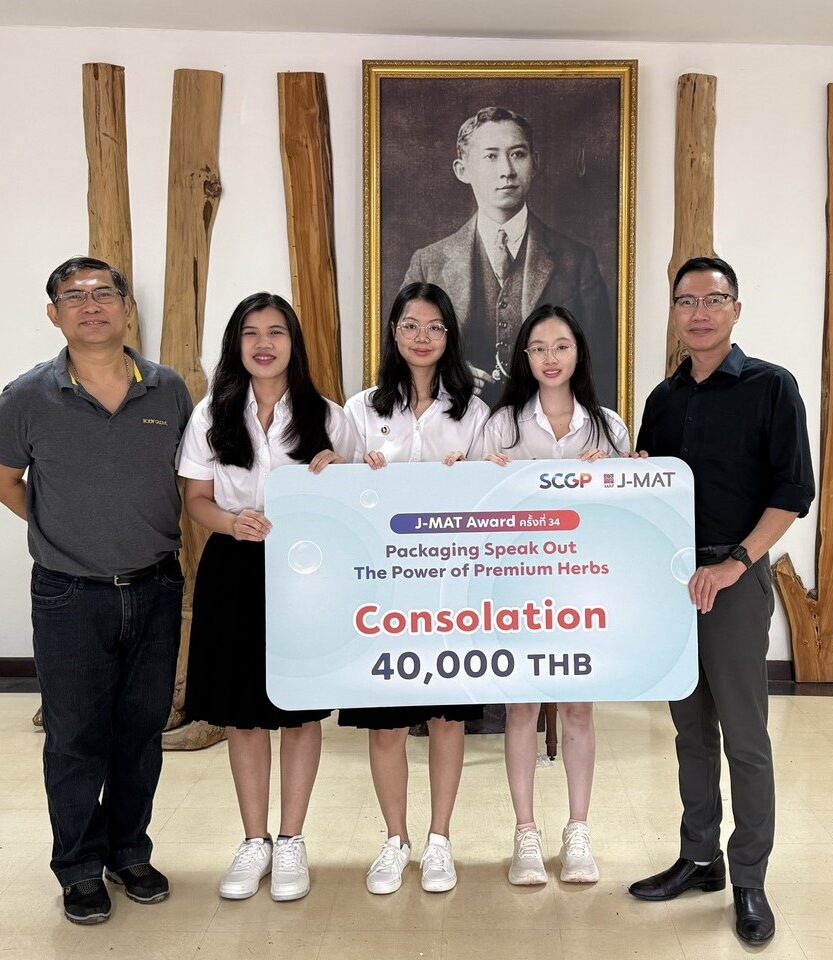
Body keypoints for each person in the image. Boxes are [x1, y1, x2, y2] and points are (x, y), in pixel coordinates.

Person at [627, 257, 815, 944]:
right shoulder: (663, 399)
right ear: (674, 313)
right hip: (674, 584)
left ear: (736, 309)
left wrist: (736, 563)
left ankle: (750, 879)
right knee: (690, 730)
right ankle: (700, 857)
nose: (699, 313)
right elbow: (650, 491)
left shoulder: (772, 387)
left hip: (735, 578)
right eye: (686, 301)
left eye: (713, 299)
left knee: (745, 735)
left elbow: (793, 492)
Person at [0, 256, 193, 924]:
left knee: (140, 733)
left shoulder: (167, 389)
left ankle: (129, 852)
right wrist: (62, 528)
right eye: (74, 296)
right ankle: (79, 867)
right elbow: (6, 481)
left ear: (126, 309)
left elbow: (189, 477)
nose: (91, 305)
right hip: (69, 595)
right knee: (76, 737)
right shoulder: (27, 396)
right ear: (54, 314)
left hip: (156, 588)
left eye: (105, 293)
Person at [177, 292, 357, 903]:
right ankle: (254, 840)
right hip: (235, 563)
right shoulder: (211, 413)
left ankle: (292, 840)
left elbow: (356, 499)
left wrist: (339, 475)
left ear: (293, 343)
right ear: (236, 344)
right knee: (243, 711)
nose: (263, 344)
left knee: (300, 709)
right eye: (251, 332)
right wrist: (232, 523)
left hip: (307, 571)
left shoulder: (329, 416)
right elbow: (196, 499)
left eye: (276, 332)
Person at [339, 281, 489, 896]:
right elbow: (338, 491)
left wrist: (469, 477)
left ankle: (439, 840)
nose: (422, 337)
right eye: (409, 325)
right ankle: (395, 840)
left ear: (449, 335)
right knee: (387, 725)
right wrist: (354, 473)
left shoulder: (474, 411)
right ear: (393, 333)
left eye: (434, 327)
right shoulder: (360, 409)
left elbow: (490, 497)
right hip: (383, 592)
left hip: (452, 592)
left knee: (448, 720)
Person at [484, 304, 629, 886]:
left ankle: (578, 831)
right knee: (520, 708)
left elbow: (628, 512)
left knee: (577, 709)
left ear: (578, 353)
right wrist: (484, 473)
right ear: (525, 357)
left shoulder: (608, 426)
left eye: (561, 346)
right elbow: (476, 506)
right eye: (539, 348)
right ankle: (525, 833)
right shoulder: (503, 425)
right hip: (516, 588)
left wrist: (616, 472)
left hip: (582, 590)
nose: (550, 358)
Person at [403, 106, 614, 407]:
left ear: (535, 163)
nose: (507, 170)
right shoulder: (429, 263)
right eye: (490, 156)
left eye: (518, 154)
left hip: (541, 426)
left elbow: (599, 366)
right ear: (462, 170)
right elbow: (400, 358)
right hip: (456, 425)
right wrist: (445, 376)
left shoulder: (577, 261)